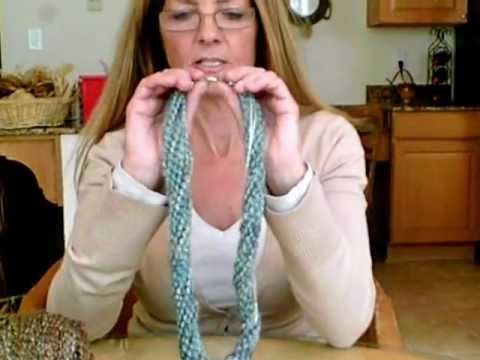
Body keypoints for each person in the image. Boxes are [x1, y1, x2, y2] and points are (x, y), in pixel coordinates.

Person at [46, 0, 376, 349]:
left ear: (263, 30)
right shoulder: (116, 153)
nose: (207, 34)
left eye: (232, 14)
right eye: (183, 15)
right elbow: (73, 326)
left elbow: (347, 326)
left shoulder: (328, 141)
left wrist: (288, 180)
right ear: (154, 34)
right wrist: (137, 181)